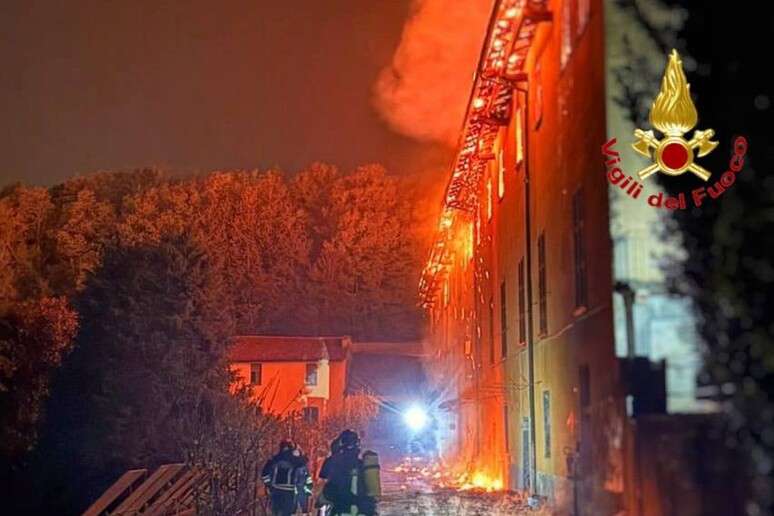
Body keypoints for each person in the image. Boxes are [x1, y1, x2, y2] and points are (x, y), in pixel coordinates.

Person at [318, 430, 377, 516]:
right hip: (361, 510)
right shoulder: (361, 465)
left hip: (340, 509)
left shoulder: (333, 462)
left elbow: (323, 478)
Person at [262, 440, 311, 516]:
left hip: (276, 491)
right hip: (288, 491)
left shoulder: (275, 458)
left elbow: (265, 473)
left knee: (276, 512)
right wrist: (299, 450)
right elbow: (305, 460)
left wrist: (268, 485)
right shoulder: (294, 460)